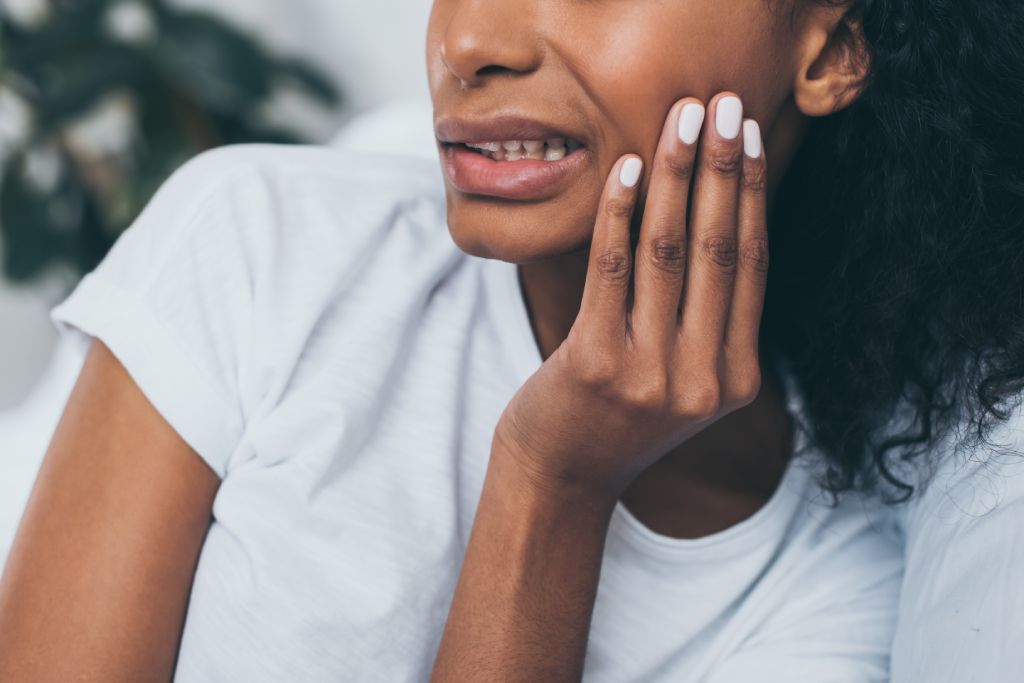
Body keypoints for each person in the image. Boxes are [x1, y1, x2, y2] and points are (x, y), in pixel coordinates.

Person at [0, 0, 1020, 680]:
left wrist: (552, 486)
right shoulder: (254, 243)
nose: (470, 41)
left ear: (834, 51)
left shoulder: (821, 597)